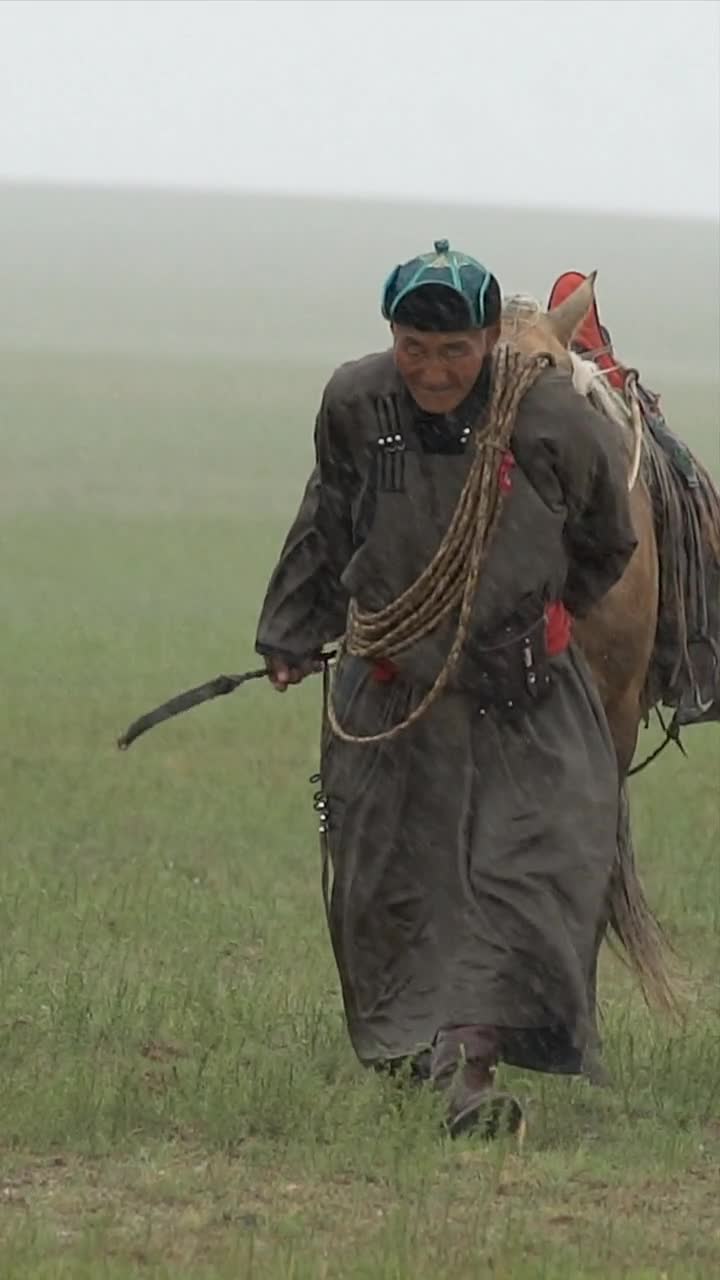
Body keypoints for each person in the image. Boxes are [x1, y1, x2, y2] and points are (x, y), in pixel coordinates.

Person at [254, 240, 639, 1139]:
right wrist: (289, 631)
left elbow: (605, 541)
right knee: (392, 884)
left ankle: (467, 1067)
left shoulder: (553, 419)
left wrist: (535, 619)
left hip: (524, 699)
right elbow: (328, 515)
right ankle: (419, 1051)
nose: (432, 370)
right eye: (413, 348)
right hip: (391, 692)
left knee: (527, 875)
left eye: (453, 351)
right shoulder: (355, 402)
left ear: (487, 344)